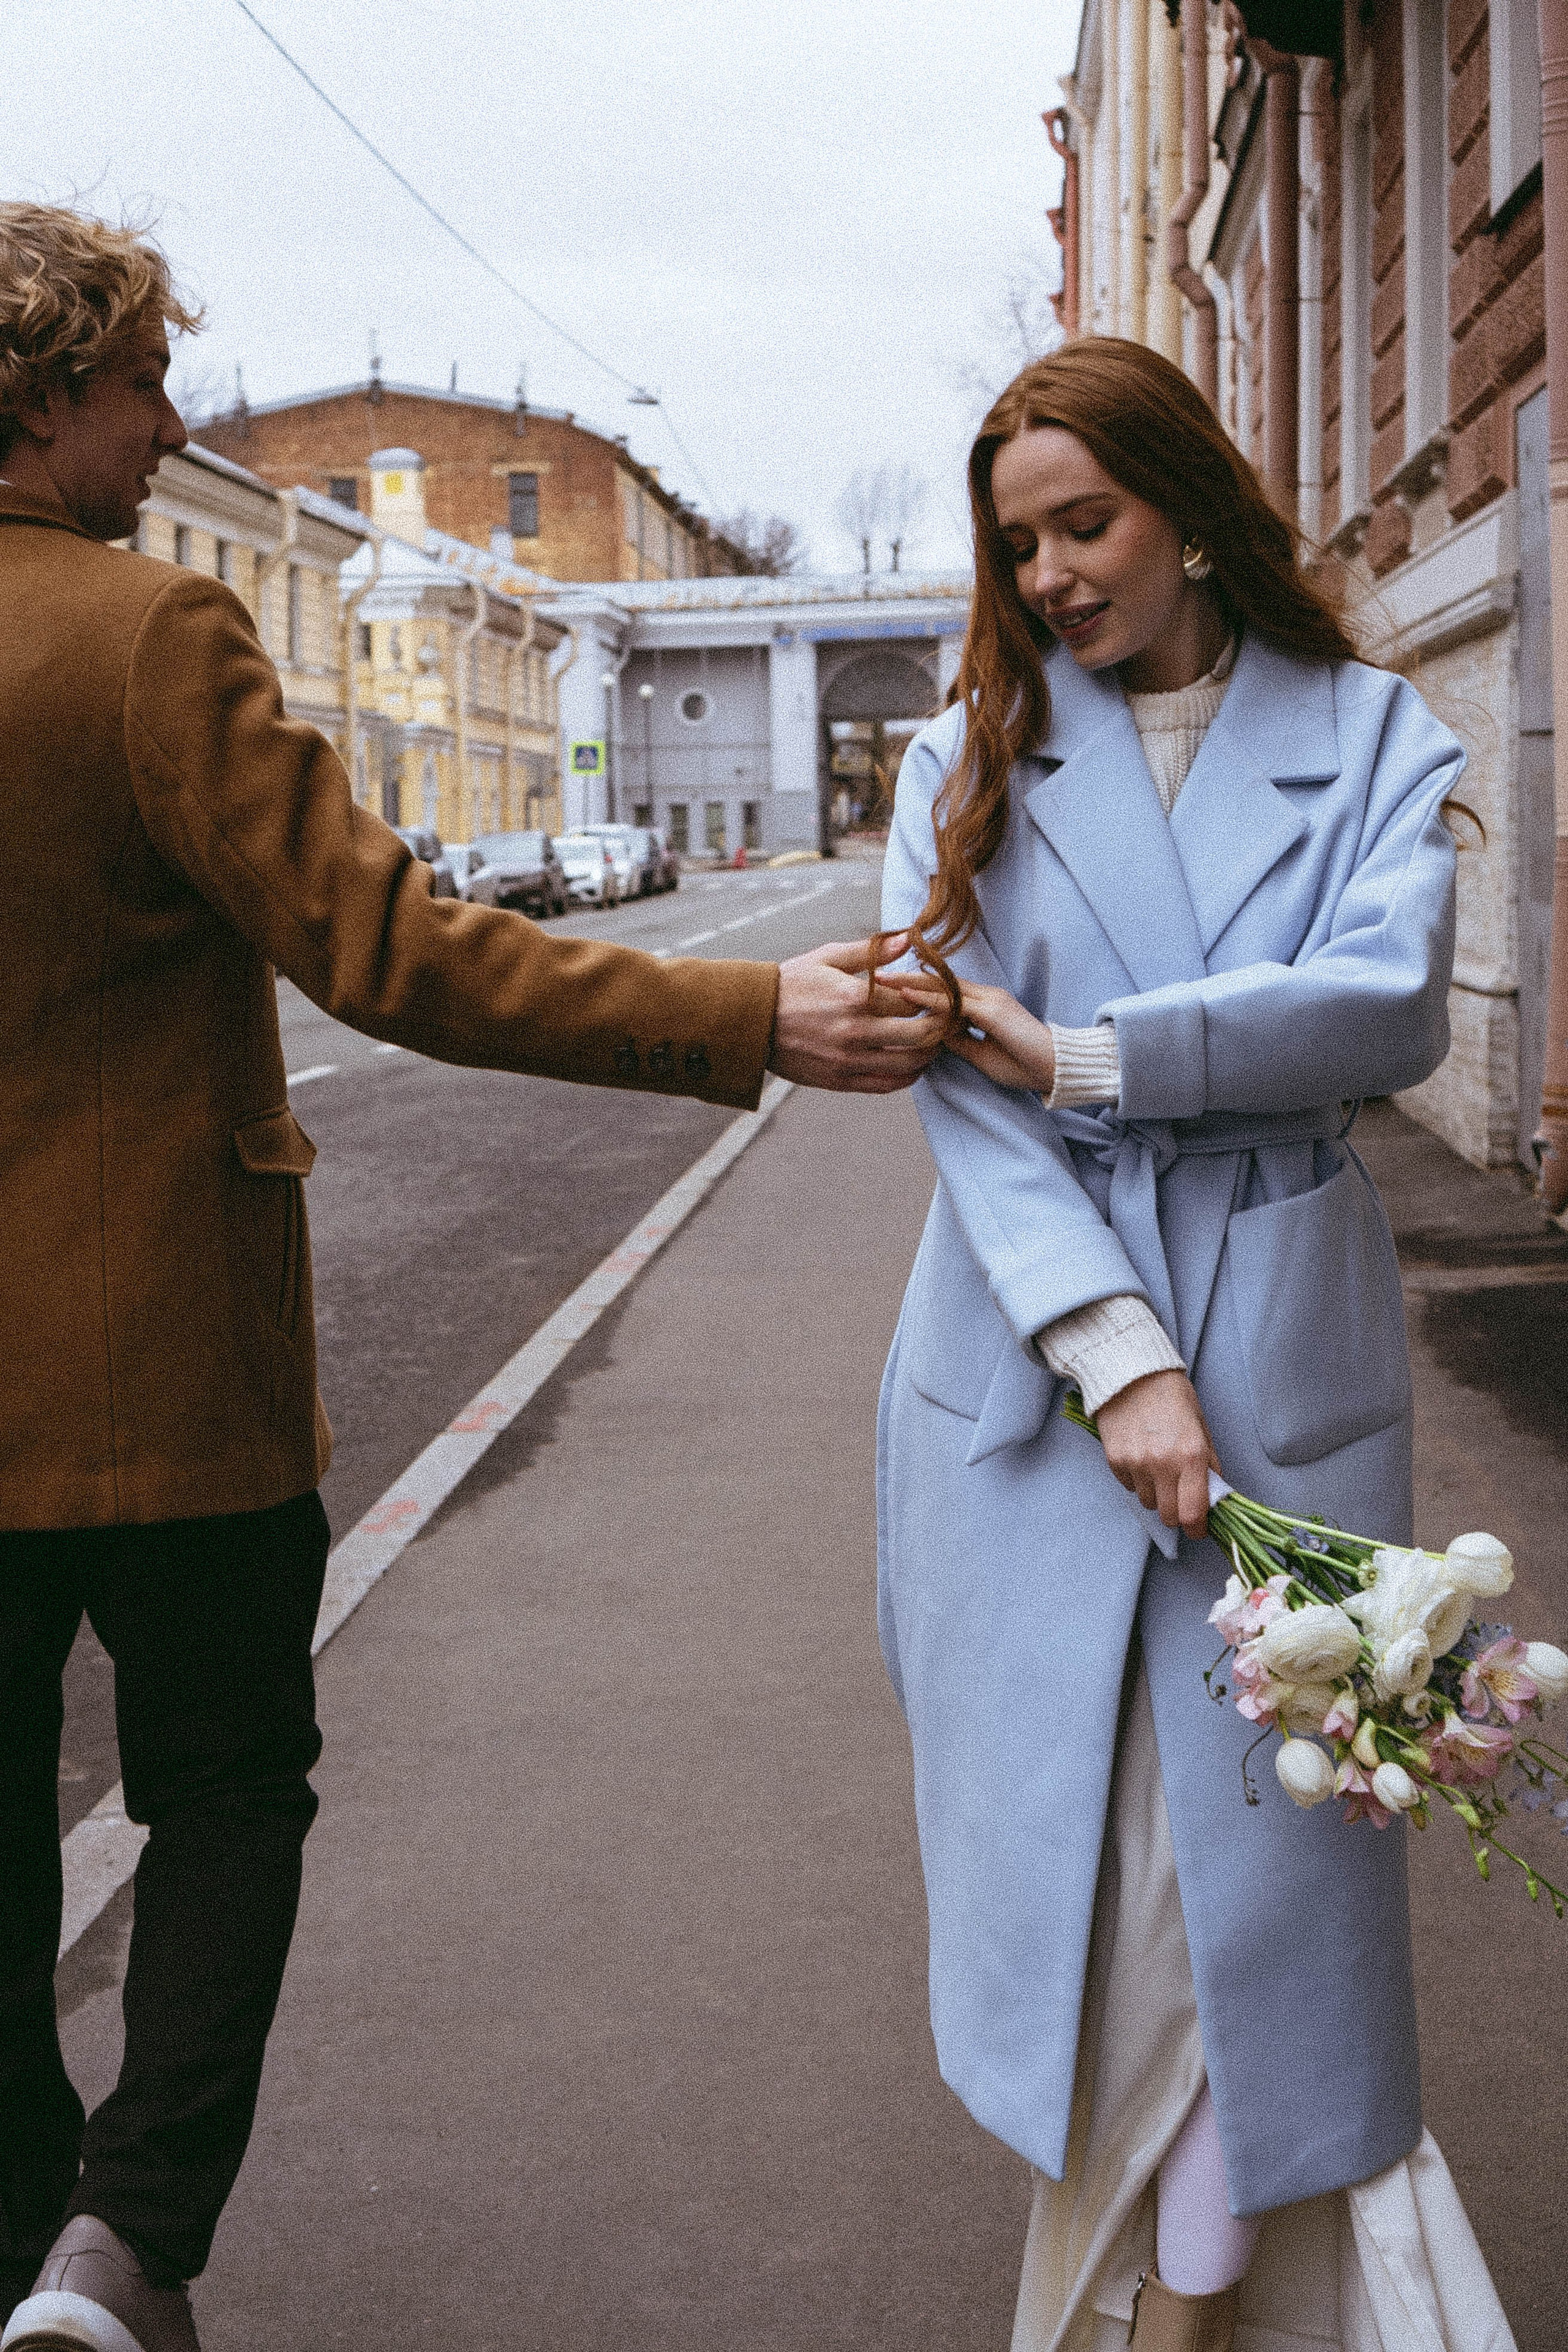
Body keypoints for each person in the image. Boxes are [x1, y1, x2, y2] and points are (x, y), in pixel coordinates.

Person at [0, 204, 943, 2352]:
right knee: (227, 1789)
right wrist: (742, 1021)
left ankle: (20, 2263)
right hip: (169, 1371)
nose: (164, 429)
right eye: (143, 383)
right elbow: (390, 952)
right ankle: (121, 2244)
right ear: (49, 390)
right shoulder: (144, 638)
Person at [876, 339, 1515, 2351]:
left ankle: (1187, 2302)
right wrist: (1117, 1354)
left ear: (1188, 503)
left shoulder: (1375, 731)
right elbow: (957, 1102)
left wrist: (1092, 1053)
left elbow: (1383, 1006)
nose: (1055, 574)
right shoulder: (966, 748)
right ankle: (1150, 2280)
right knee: (1092, 1897)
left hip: (1286, 1335)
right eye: (1022, 540)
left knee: (1253, 1886)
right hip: (1023, 1368)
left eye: (1091, 522)